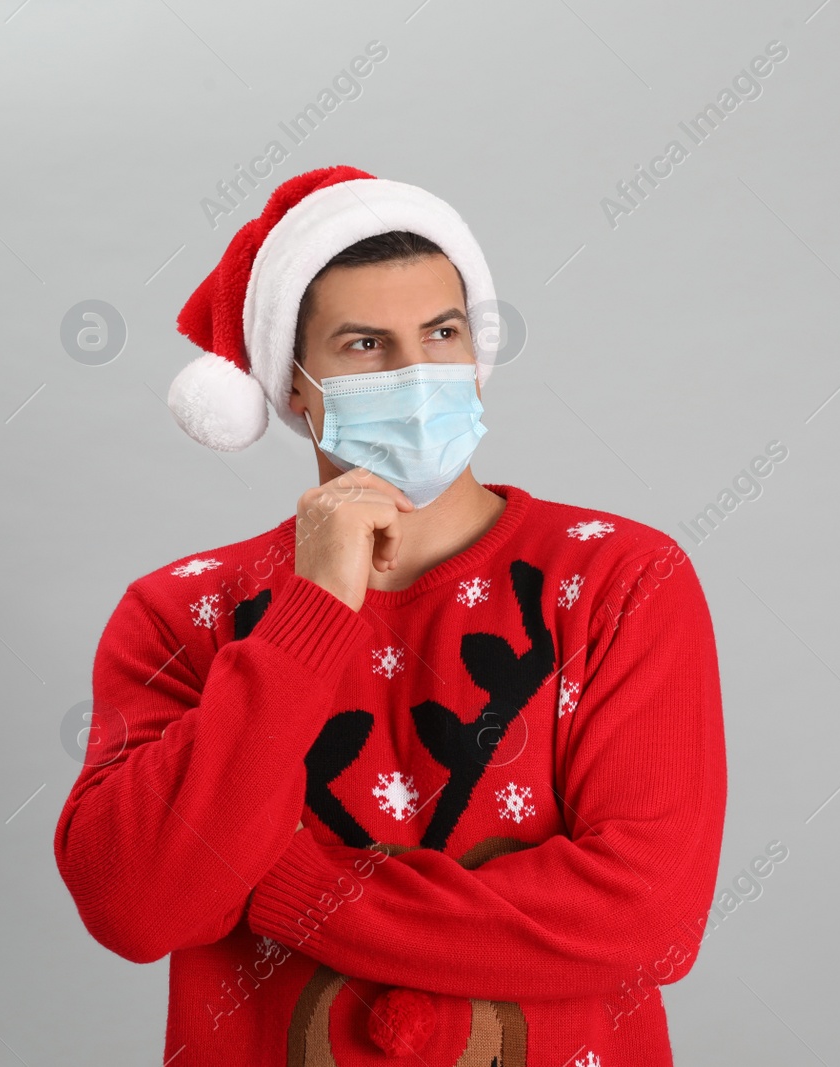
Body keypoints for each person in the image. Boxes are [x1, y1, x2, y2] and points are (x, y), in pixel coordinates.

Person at [53, 165, 727, 1066]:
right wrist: (311, 610)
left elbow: (651, 916)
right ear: (293, 384)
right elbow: (136, 903)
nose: (416, 373)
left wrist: (274, 880)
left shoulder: (620, 580)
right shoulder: (184, 613)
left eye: (442, 333)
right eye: (365, 345)